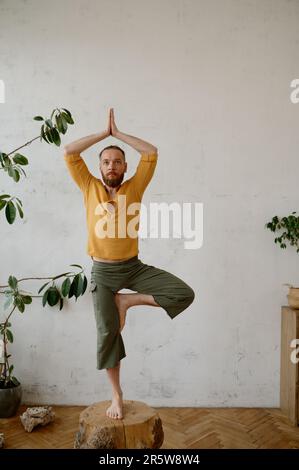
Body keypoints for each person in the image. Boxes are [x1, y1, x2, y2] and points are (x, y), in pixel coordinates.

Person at [64, 108, 195, 420]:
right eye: (106, 161)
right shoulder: (88, 186)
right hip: (102, 272)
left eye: (117, 161)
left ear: (125, 166)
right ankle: (116, 395)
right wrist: (102, 133)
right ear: (99, 167)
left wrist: (118, 134)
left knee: (183, 293)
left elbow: (151, 151)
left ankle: (128, 301)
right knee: (108, 333)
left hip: (133, 267)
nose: (112, 166)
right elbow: (69, 151)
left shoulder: (135, 186)